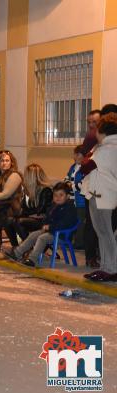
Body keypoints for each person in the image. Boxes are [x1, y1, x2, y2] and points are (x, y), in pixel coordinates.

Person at [4, 182, 78, 267]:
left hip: (62, 234)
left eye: (61, 195)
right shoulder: (54, 206)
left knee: (42, 238)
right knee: (33, 235)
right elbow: (47, 218)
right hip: (52, 231)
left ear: (67, 196)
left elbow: (65, 224)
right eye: (55, 195)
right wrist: (45, 225)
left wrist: (50, 227)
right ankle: (17, 253)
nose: (57, 198)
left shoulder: (69, 208)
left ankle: (32, 260)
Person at [82, 112, 117, 282]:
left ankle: (110, 268)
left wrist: (91, 147)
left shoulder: (107, 148)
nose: (93, 132)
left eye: (96, 129)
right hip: (104, 193)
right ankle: (106, 267)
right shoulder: (108, 147)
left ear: (102, 131)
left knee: (105, 232)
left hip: (102, 195)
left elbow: (85, 166)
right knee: (103, 232)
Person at [5, 163, 53, 246]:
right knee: (8, 221)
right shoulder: (29, 189)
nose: (24, 177)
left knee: (19, 221)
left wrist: (25, 212)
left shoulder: (46, 190)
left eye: (26, 175)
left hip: (44, 221)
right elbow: (24, 208)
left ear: (31, 177)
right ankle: (16, 247)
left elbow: (39, 211)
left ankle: (28, 247)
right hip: (33, 218)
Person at [65, 145, 87, 249]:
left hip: (81, 201)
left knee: (80, 223)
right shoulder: (73, 167)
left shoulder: (86, 168)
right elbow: (66, 178)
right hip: (71, 200)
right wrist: (66, 184)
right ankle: (68, 240)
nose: (76, 156)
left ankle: (79, 243)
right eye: (75, 154)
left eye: (78, 154)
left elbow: (83, 184)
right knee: (71, 220)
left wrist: (71, 186)